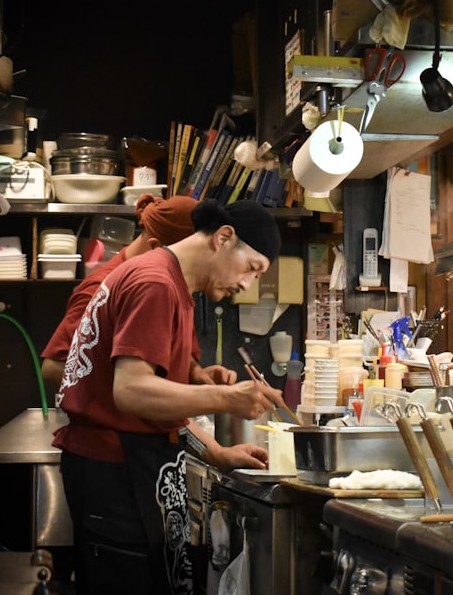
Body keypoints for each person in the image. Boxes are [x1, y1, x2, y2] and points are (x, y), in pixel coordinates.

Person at [53, 199, 285, 595]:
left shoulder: (170, 282)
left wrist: (218, 454)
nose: (248, 284)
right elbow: (132, 393)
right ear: (224, 238)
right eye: (252, 268)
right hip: (116, 475)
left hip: (129, 468)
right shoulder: (155, 283)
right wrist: (227, 399)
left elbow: (157, 406)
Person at [40, 194, 234, 389]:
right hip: (117, 419)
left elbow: (171, 350)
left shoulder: (176, 285)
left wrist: (194, 373)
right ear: (156, 248)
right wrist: (131, 390)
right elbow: (54, 367)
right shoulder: (102, 288)